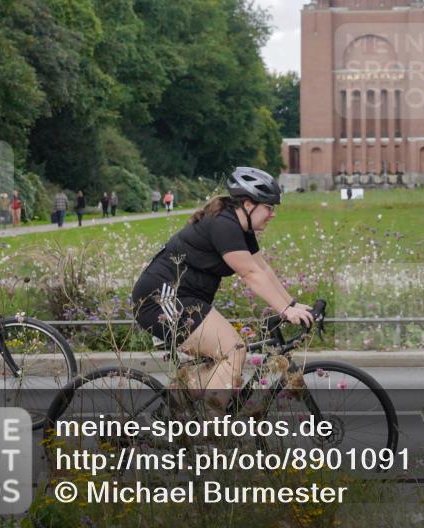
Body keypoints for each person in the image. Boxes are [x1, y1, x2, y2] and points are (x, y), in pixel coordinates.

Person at [131, 167, 314, 408]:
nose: (272, 214)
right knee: (233, 350)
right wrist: (285, 311)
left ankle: (174, 406)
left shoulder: (241, 227)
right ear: (248, 204)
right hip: (161, 298)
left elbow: (261, 269)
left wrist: (290, 304)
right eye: (269, 207)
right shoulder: (223, 224)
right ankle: (212, 430)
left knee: (228, 364)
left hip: (186, 299)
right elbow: (249, 274)